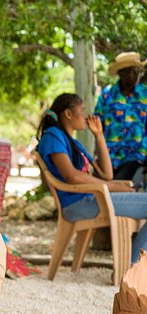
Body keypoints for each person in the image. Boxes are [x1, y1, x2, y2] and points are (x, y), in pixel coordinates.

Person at [37, 92, 147, 265]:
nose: (87, 115)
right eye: (82, 110)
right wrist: (113, 187)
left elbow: (107, 174)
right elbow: (71, 175)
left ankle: (132, 267)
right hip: (79, 203)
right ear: (68, 114)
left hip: (91, 199)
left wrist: (99, 135)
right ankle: (132, 269)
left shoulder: (73, 143)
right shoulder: (53, 136)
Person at [94, 52, 147, 182]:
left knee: (117, 186)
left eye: (139, 72)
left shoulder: (145, 94)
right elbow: (97, 126)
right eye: (133, 72)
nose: (138, 76)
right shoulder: (107, 95)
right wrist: (98, 154)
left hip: (136, 154)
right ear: (121, 73)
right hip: (110, 155)